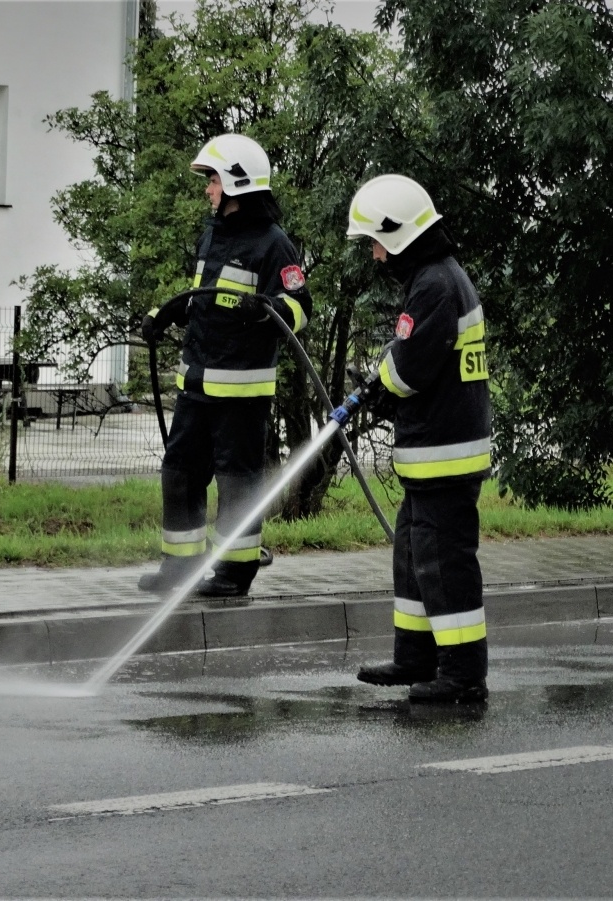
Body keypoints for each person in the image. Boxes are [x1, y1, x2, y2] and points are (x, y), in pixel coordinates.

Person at [137, 134, 312, 599]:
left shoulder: (274, 244)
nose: (208, 189)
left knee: (237, 484)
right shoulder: (212, 234)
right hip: (195, 385)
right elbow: (202, 297)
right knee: (179, 474)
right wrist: (164, 313)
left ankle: (235, 574)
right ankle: (180, 568)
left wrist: (268, 309)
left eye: (213, 180)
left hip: (241, 394)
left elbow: (300, 307)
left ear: (236, 183)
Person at [345, 174, 492, 703]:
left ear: (400, 233)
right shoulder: (437, 279)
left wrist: (373, 390)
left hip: (444, 458)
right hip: (433, 456)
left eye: (377, 243)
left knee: (444, 567)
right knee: (412, 557)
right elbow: (407, 355)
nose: (376, 256)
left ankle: (462, 674)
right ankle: (415, 658)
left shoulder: (434, 284)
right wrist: (378, 384)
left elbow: (409, 369)